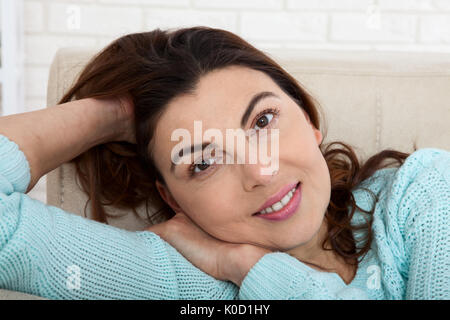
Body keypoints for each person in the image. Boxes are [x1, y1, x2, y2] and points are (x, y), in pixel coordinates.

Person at [0, 26, 449, 300]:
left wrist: (250, 269)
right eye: (203, 162)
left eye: (263, 120)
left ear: (309, 121)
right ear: (172, 199)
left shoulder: (425, 192)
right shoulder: (186, 273)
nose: (260, 172)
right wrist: (111, 114)